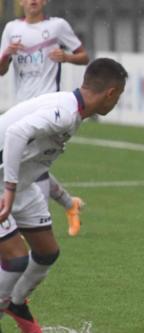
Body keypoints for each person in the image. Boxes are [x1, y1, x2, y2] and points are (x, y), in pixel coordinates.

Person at [0, 58, 127, 333]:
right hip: (5, 182)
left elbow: (35, 163)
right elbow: (14, 133)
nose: (116, 102)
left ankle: (15, 302)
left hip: (18, 182)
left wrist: (65, 200)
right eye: (119, 96)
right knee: (15, 258)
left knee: (46, 251)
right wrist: (9, 189)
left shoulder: (72, 111)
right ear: (111, 93)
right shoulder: (64, 112)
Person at [0, 0, 90, 237]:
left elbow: (84, 56)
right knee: (29, 164)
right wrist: (6, 54)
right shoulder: (11, 29)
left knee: (33, 167)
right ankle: (68, 205)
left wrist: (66, 57)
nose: (33, 1)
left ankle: (36, 227)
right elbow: (1, 69)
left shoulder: (58, 26)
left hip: (50, 107)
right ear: (20, 1)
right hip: (23, 107)